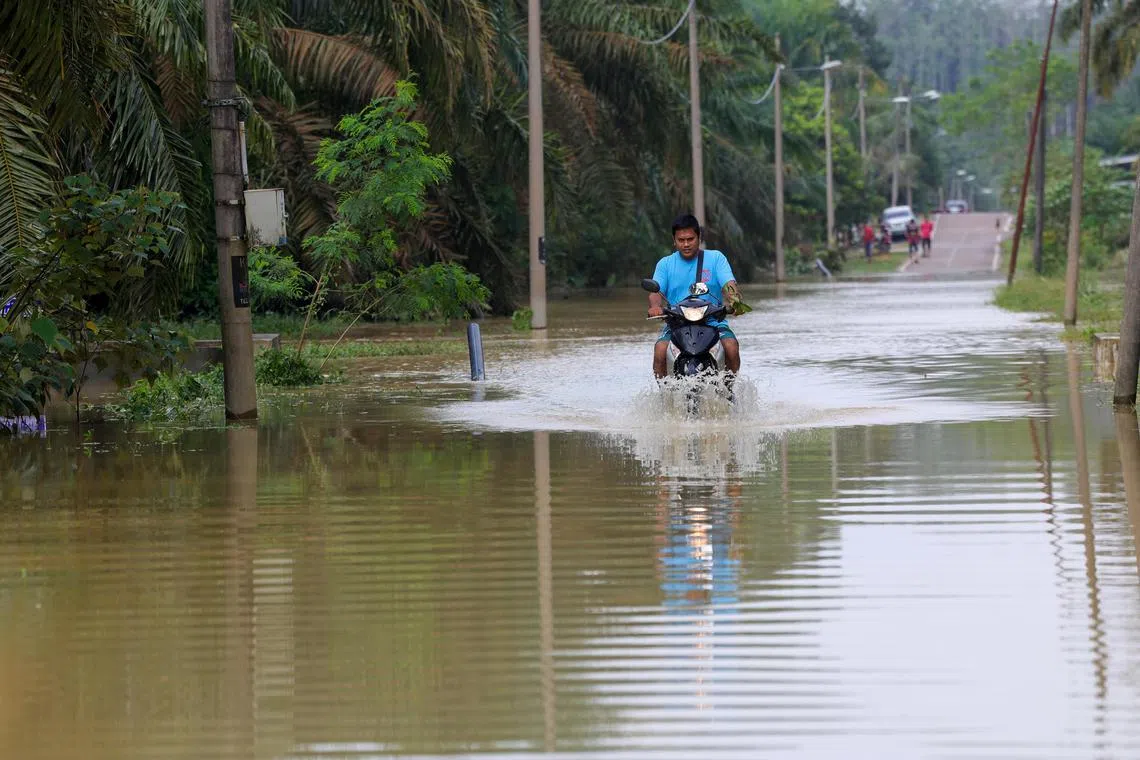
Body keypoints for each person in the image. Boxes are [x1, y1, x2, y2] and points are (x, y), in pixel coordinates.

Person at [648, 213, 741, 379]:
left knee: (731, 347)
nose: (685, 244)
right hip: (676, 324)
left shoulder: (716, 258)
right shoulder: (665, 264)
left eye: (690, 239)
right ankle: (665, 395)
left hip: (713, 322)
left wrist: (734, 299)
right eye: (681, 240)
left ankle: (728, 390)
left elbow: (729, 284)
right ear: (674, 240)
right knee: (660, 350)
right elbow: (655, 291)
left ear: (699, 238)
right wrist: (655, 307)